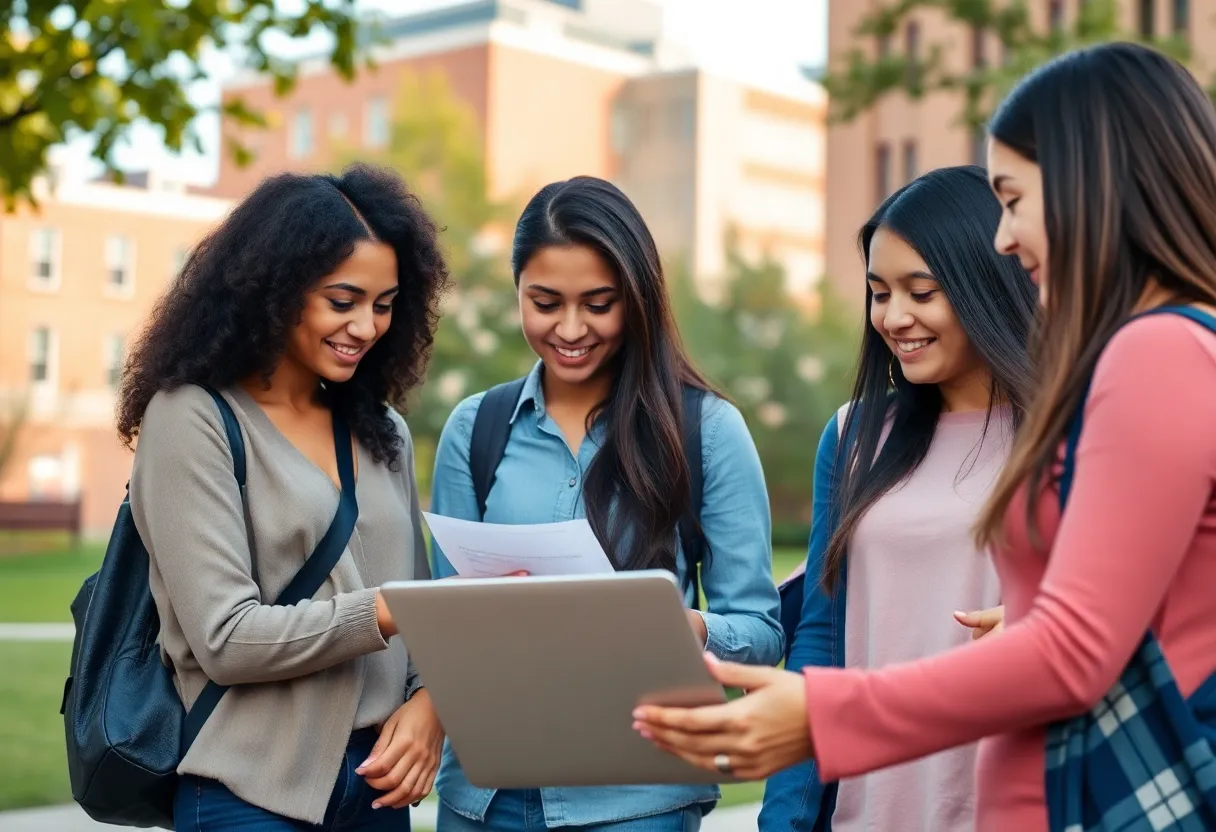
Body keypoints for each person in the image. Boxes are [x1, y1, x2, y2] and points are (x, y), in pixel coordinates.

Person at [633, 42, 1216, 832]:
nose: (1005, 239)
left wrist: (825, 714)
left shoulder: (1155, 353)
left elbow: (1075, 654)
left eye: (1014, 199)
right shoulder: (1172, 352)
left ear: (1093, 184)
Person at [427, 175, 783, 831]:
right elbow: (441, 633)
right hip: (485, 799)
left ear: (638, 300)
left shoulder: (707, 432)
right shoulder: (474, 431)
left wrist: (684, 627)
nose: (569, 329)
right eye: (544, 302)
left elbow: (761, 635)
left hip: (636, 803)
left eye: (598, 304)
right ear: (518, 294)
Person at [119, 164, 450, 830]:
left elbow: (423, 607)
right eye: (342, 300)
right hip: (249, 797)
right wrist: (384, 612)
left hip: (380, 789)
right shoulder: (193, 418)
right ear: (277, 290)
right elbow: (227, 638)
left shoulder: (380, 428)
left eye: (384, 305)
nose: (366, 326)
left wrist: (429, 707)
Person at [759, 165, 1035, 832]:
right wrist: (784, 816)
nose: (893, 317)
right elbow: (821, 636)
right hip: (867, 809)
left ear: (987, 284)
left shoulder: (1069, 430)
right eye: (879, 293)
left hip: (1013, 804)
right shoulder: (855, 434)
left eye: (922, 291)